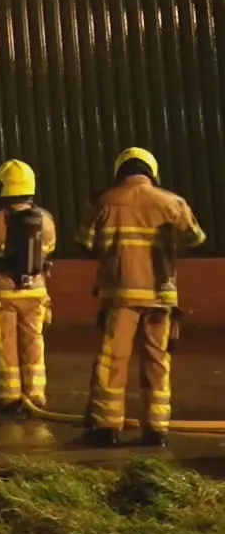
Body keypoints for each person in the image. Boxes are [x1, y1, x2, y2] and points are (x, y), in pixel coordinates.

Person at [78, 147, 207, 447]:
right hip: (161, 296)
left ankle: (106, 427)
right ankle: (156, 428)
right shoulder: (173, 202)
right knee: (157, 359)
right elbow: (196, 238)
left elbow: (83, 242)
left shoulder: (103, 201)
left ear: (120, 171)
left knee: (112, 359)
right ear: (151, 172)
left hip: (119, 294)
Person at [0, 159, 57, 415]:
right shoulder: (46, 219)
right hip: (36, 291)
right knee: (33, 341)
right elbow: (49, 249)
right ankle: (35, 395)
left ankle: (10, 398)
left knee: (6, 344)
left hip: (2, 291)